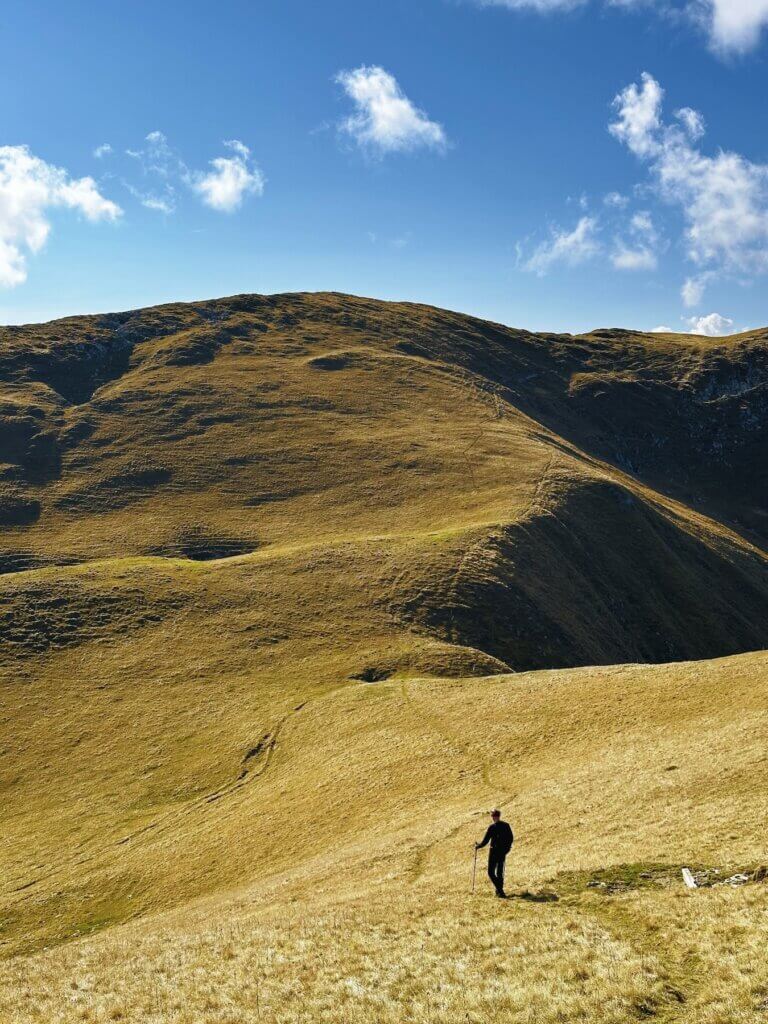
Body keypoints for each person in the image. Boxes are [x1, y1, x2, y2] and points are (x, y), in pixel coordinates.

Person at [475, 808, 513, 897]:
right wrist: (507, 849)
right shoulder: (506, 825)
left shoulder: (492, 827)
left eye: (492, 816)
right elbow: (510, 838)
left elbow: (486, 841)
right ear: (499, 816)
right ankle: (499, 891)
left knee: (491, 872)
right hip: (502, 852)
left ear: (493, 816)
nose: (492, 818)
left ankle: (500, 890)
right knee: (500, 872)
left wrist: (478, 846)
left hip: (494, 851)